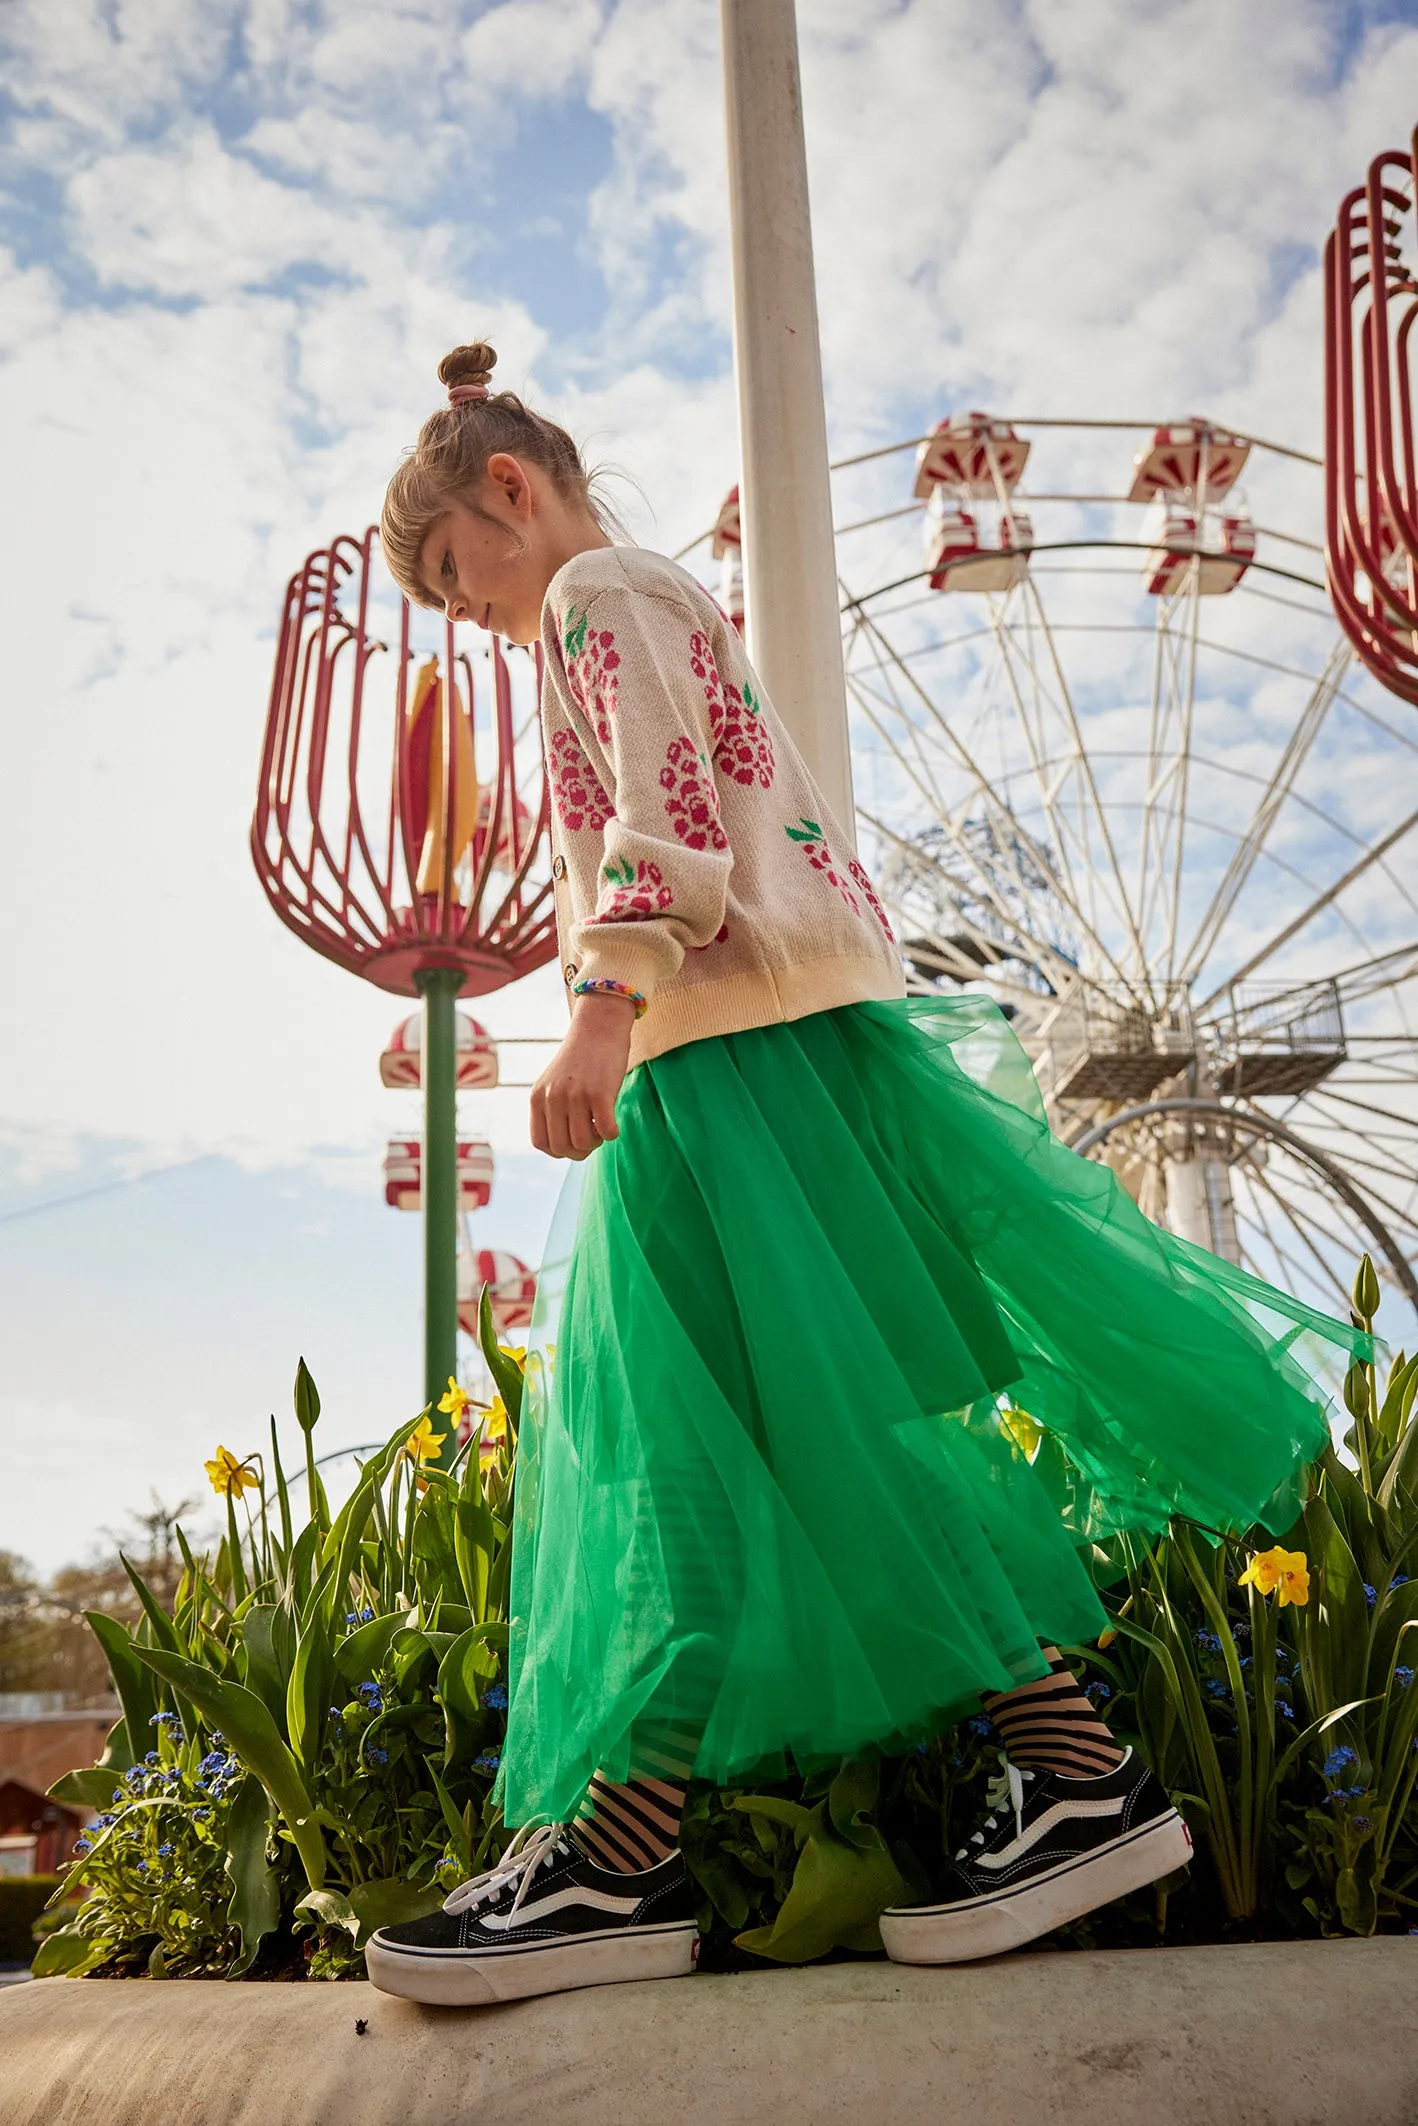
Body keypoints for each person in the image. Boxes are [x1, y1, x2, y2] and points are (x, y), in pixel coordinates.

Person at [363, 342, 1369, 2009]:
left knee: (691, 1453)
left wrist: (602, 1007)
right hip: (748, 1053)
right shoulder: (638, 593)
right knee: (749, 1449)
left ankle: (657, 1856)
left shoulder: (598, 594)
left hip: (717, 1058)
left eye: (460, 582)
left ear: (510, 492)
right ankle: (1004, 1786)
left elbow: (663, 823)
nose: (475, 621)